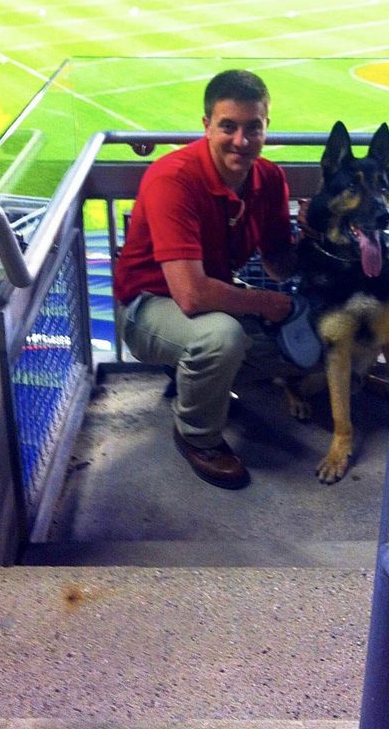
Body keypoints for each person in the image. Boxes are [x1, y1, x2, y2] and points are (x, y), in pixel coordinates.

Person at [114, 69, 299, 489]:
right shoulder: (173, 178)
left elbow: (279, 265)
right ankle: (197, 435)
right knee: (220, 339)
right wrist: (266, 304)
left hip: (206, 300)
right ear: (206, 126)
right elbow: (192, 295)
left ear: (267, 126)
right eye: (228, 127)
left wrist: (311, 237)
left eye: (254, 127)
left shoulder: (269, 178)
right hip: (147, 305)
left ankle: (193, 378)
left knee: (299, 342)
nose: (241, 140)